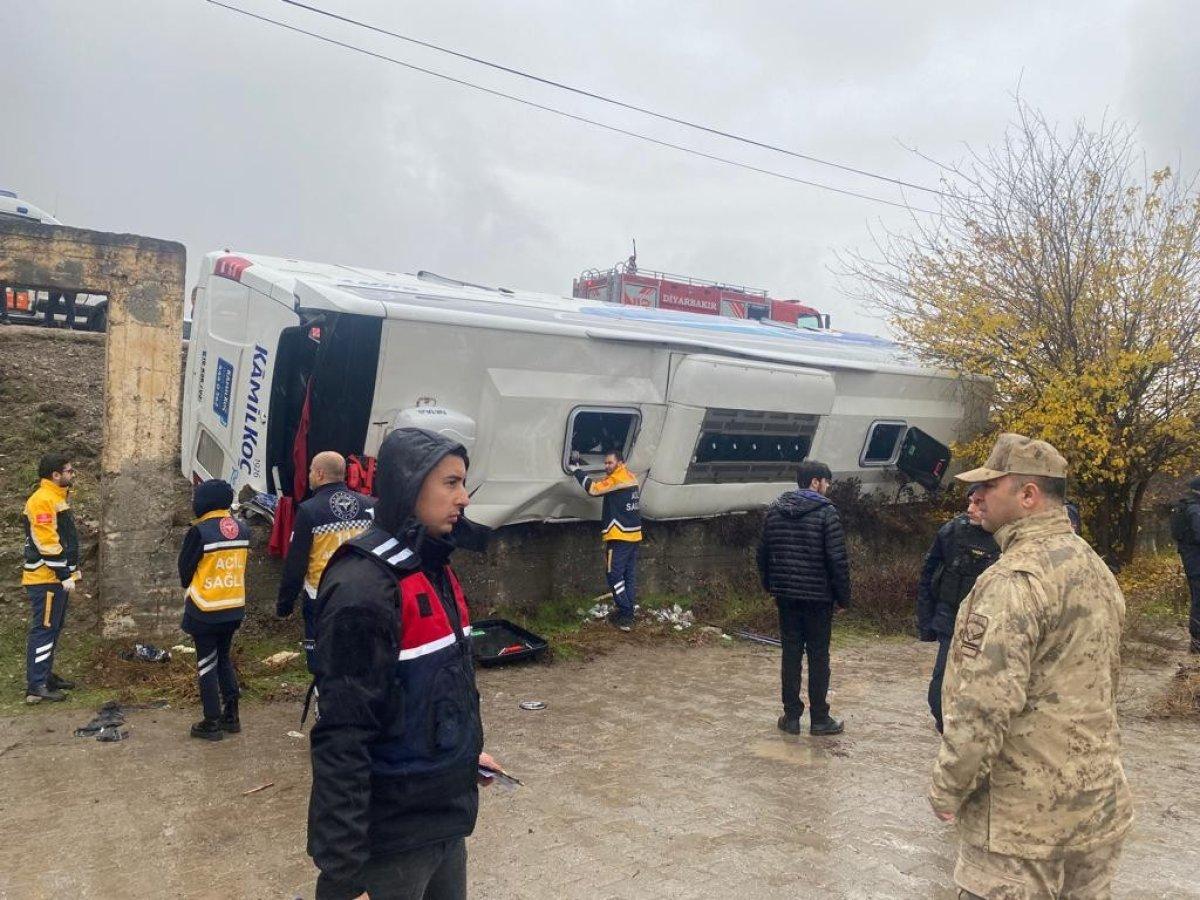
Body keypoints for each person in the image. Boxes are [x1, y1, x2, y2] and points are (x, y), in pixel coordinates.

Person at [930, 433, 1132, 899]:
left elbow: (983, 705)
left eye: (990, 486)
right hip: (1096, 807)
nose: (976, 496)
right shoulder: (1095, 569)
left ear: (1027, 495)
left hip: (1020, 823)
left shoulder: (1012, 582)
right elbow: (1106, 683)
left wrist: (948, 787)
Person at [307, 428, 503, 900]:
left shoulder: (433, 568)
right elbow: (342, 738)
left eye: (464, 484)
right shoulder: (364, 587)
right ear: (411, 486)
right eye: (451, 483)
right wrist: (343, 878)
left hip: (444, 820)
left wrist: (460, 755)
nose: (463, 499)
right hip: (389, 842)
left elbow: (434, 689)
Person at [756, 459, 850, 736]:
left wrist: (770, 586)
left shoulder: (775, 511)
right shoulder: (826, 513)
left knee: (791, 655)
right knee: (819, 657)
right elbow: (837, 560)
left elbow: (762, 554)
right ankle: (820, 719)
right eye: (826, 482)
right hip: (819, 599)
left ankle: (792, 717)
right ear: (815, 482)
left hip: (786, 597)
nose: (828, 488)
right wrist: (843, 598)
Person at [276, 451, 374, 670]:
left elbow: (296, 563)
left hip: (324, 596)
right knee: (359, 657)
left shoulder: (310, 511)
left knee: (323, 660)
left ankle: (324, 701)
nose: (309, 474)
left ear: (320, 474)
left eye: (310, 470)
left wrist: (285, 604)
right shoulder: (369, 506)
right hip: (366, 592)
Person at [916, 484, 999, 732]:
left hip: (989, 626)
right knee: (940, 686)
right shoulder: (951, 531)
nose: (971, 508)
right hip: (950, 620)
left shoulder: (1006, 538)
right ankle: (945, 726)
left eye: (978, 503)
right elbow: (928, 575)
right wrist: (925, 622)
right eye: (970, 502)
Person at [177, 479, 249, 740]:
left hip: (205, 608)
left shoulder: (200, 532)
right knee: (224, 659)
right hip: (233, 606)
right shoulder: (242, 529)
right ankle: (232, 715)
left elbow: (184, 571)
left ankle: (212, 721)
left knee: (207, 663)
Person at [21, 453, 80, 703]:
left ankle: (45, 676)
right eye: (68, 471)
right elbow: (47, 543)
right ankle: (36, 685)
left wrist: (71, 570)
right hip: (45, 578)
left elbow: (64, 538)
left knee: (52, 628)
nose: (72, 474)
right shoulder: (42, 500)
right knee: (44, 629)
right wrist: (64, 573)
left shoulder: (55, 498)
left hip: (54, 577)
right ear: (55, 475)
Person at [569, 448, 642, 632]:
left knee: (614, 575)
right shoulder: (631, 477)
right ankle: (628, 610)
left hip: (619, 536)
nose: (606, 466)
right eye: (605, 463)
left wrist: (576, 470)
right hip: (634, 536)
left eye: (610, 463)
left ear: (620, 462)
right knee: (629, 576)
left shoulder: (617, 480)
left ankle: (626, 614)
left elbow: (593, 489)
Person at [1170, 476, 1200, 654]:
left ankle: (1196, 641)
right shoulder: (1195, 509)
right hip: (1197, 562)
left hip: (1191, 561)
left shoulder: (1185, 506)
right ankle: (1196, 642)